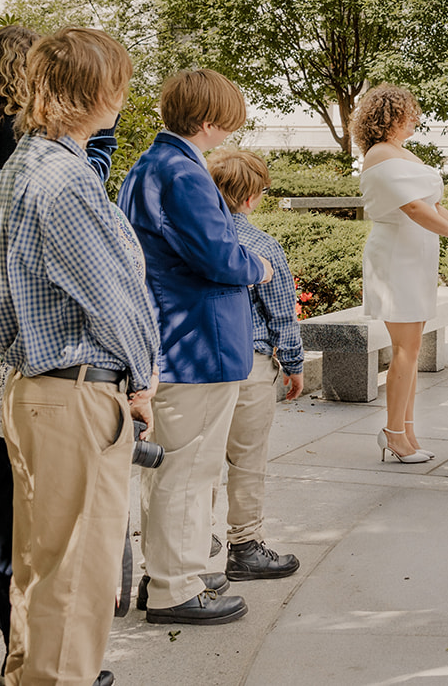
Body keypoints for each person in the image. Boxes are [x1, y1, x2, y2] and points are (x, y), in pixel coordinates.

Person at [0, 27, 158, 686]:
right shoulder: (64, 181)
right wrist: (142, 378)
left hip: (32, 387)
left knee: (40, 571)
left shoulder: (19, 168)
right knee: (76, 579)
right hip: (76, 392)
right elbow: (113, 299)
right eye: (121, 82)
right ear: (100, 90)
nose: (125, 94)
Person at [0, 25, 120, 662]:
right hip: (43, 360)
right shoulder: (52, 162)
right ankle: (40, 658)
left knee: (10, 523)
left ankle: (18, 654)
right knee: (49, 536)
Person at [118, 69, 270, 626]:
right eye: (226, 122)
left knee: (170, 470)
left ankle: (164, 575)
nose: (228, 132)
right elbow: (219, 257)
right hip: (198, 342)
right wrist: (256, 265)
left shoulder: (149, 166)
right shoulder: (183, 171)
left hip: (174, 338)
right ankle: (176, 589)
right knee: (189, 470)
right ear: (209, 120)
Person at [352, 85, 448, 464]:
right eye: (409, 112)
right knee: (405, 350)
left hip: (416, 254)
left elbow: (432, 205)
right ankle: (393, 434)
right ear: (390, 115)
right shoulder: (379, 155)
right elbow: (414, 210)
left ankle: (408, 430)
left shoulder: (402, 153)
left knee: (413, 349)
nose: (416, 118)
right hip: (396, 258)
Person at [206, 147, 305, 583]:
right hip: (250, 363)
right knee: (246, 460)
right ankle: (244, 547)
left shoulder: (194, 240)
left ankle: (190, 544)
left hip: (198, 364)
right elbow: (282, 312)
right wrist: (294, 363)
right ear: (250, 198)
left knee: (199, 461)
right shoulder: (260, 245)